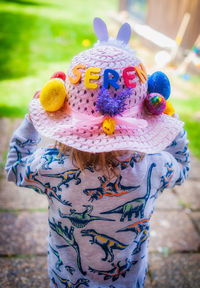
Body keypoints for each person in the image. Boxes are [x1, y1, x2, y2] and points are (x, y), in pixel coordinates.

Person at [5, 18, 190, 288]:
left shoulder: (51, 165)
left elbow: (14, 168)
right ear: (146, 107)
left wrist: (33, 119)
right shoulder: (155, 165)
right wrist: (168, 121)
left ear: (63, 106)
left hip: (65, 281)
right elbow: (183, 166)